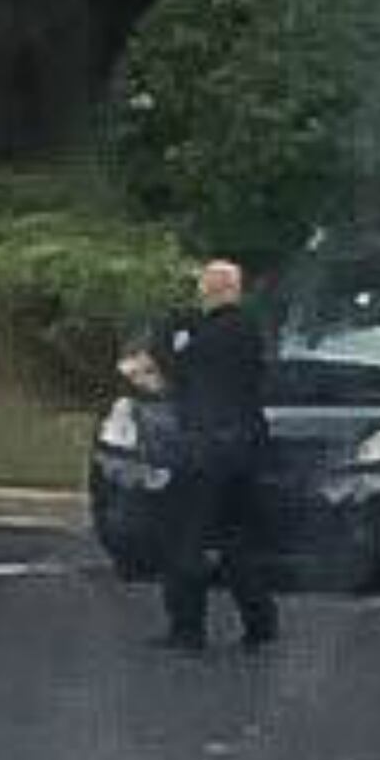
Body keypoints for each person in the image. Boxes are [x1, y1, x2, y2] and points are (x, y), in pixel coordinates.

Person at [124, 259, 278, 654]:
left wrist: (160, 342)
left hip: (206, 449)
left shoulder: (206, 339)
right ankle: (260, 621)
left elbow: (172, 372)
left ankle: (187, 628)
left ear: (210, 290)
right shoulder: (251, 331)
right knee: (235, 538)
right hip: (246, 446)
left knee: (184, 537)